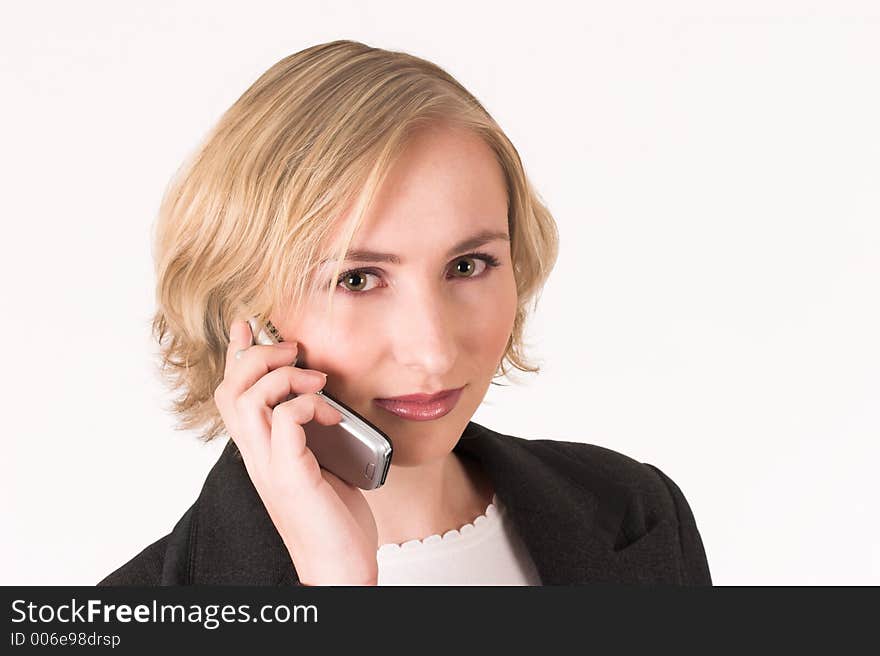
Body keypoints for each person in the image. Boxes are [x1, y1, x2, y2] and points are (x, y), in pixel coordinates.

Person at [98, 39, 711, 586]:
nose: (433, 351)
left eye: (468, 266)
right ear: (249, 310)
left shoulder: (636, 510)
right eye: (357, 279)